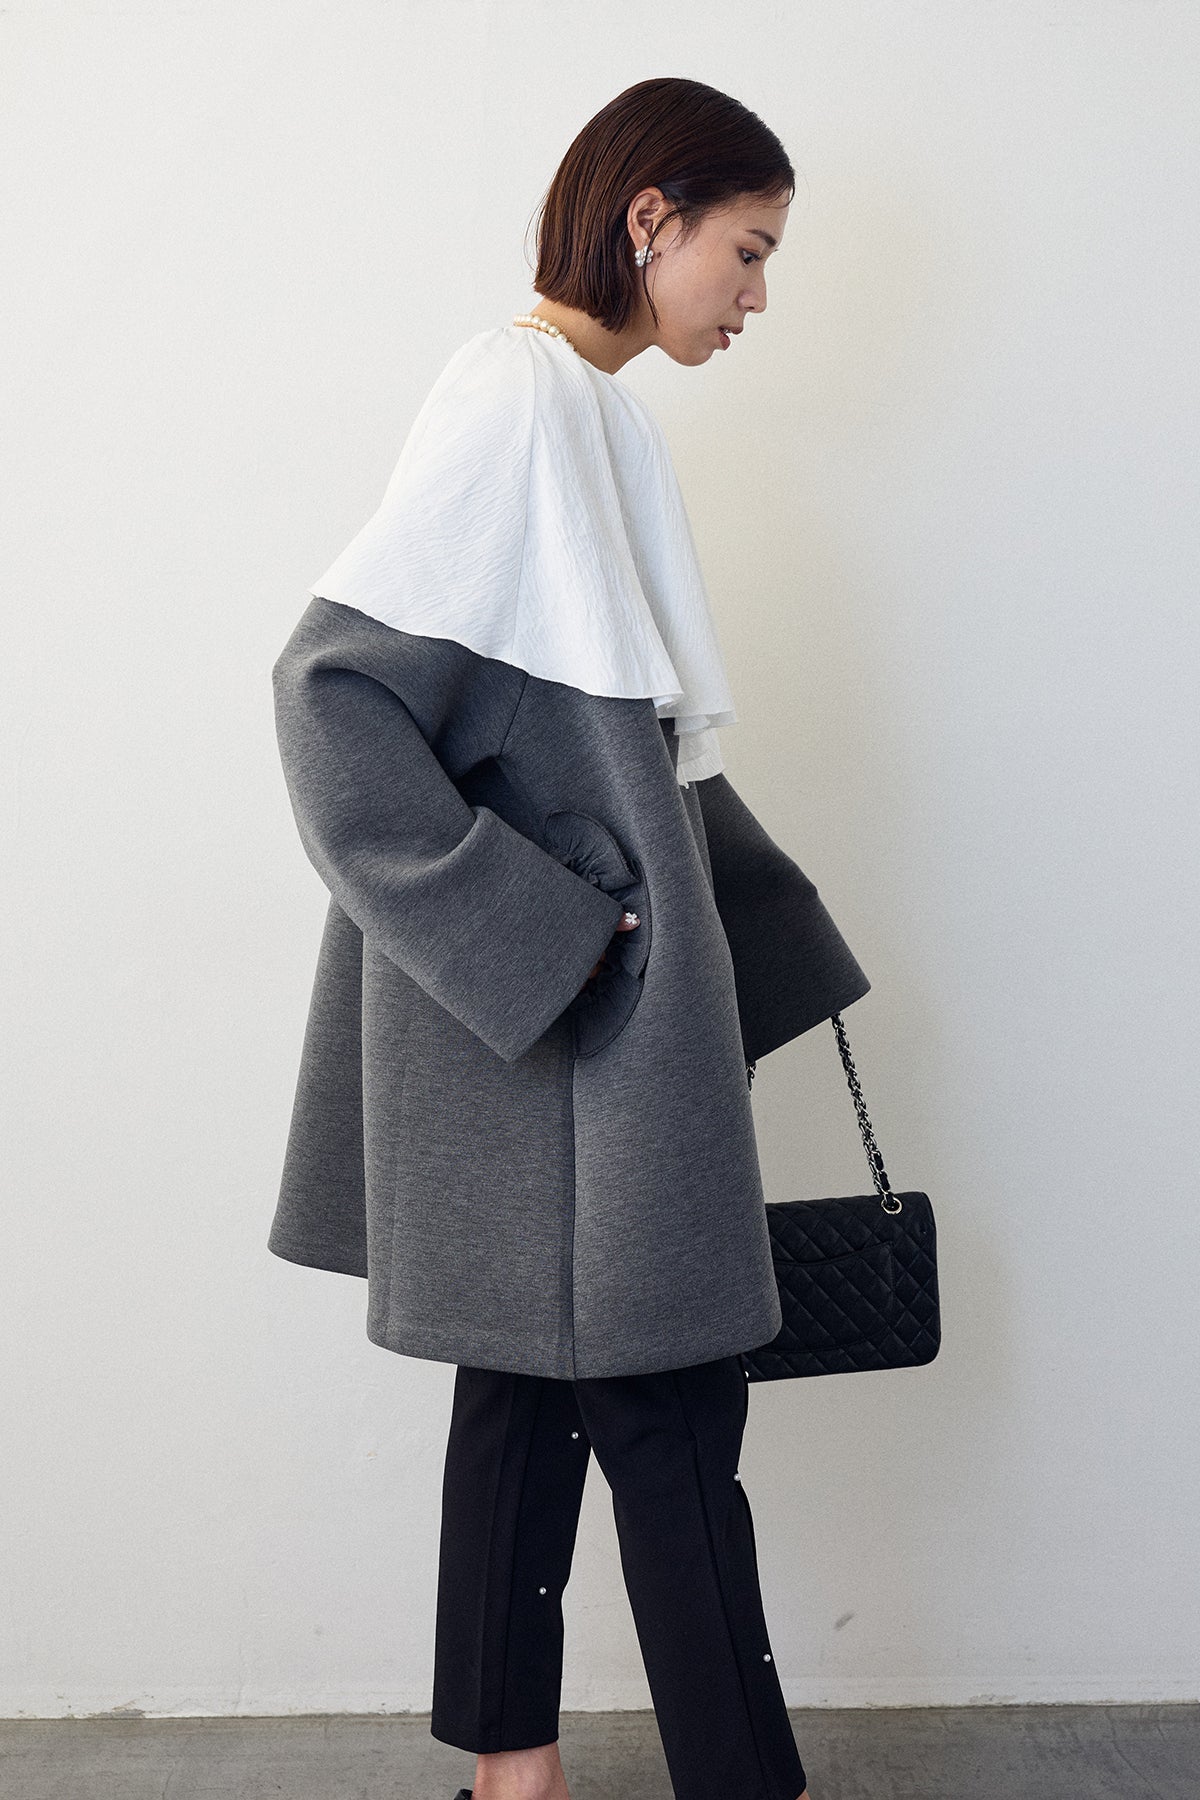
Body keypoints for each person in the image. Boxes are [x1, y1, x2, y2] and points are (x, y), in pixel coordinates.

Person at [269, 75, 873, 1800]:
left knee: (527, 1395)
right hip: (557, 1026)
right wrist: (569, 935)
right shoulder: (514, 397)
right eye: (747, 249)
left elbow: (630, 749)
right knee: (669, 1403)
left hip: (566, 1022)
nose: (759, 294)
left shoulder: (592, 415)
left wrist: (738, 935)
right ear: (649, 218)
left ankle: (509, 1772)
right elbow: (329, 699)